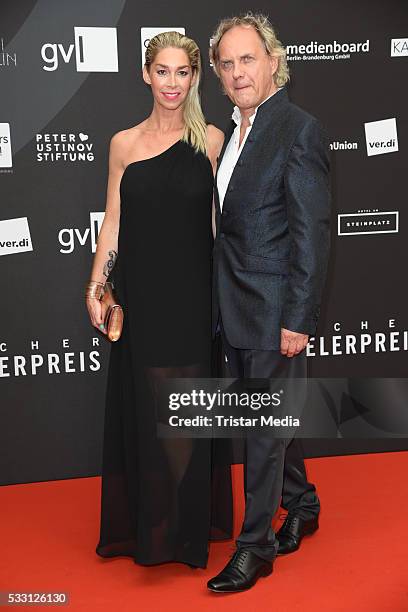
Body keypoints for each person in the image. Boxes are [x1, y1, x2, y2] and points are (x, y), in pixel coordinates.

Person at [85, 31, 232, 570]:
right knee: (151, 411)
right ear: (145, 74)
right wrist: (96, 285)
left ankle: (185, 530)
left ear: (195, 78)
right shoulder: (122, 145)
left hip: (193, 298)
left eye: (183, 72)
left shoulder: (213, 140)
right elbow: (113, 225)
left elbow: (222, 227)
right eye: (163, 71)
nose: (172, 83)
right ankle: (158, 528)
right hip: (143, 298)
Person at [207, 13, 331, 592]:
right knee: (272, 418)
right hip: (235, 304)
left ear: (273, 59)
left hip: (274, 308)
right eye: (227, 63)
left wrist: (297, 319)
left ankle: (254, 547)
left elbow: (312, 232)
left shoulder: (296, 128)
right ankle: (302, 503)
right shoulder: (233, 130)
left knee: (260, 430)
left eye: (247, 58)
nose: (238, 72)